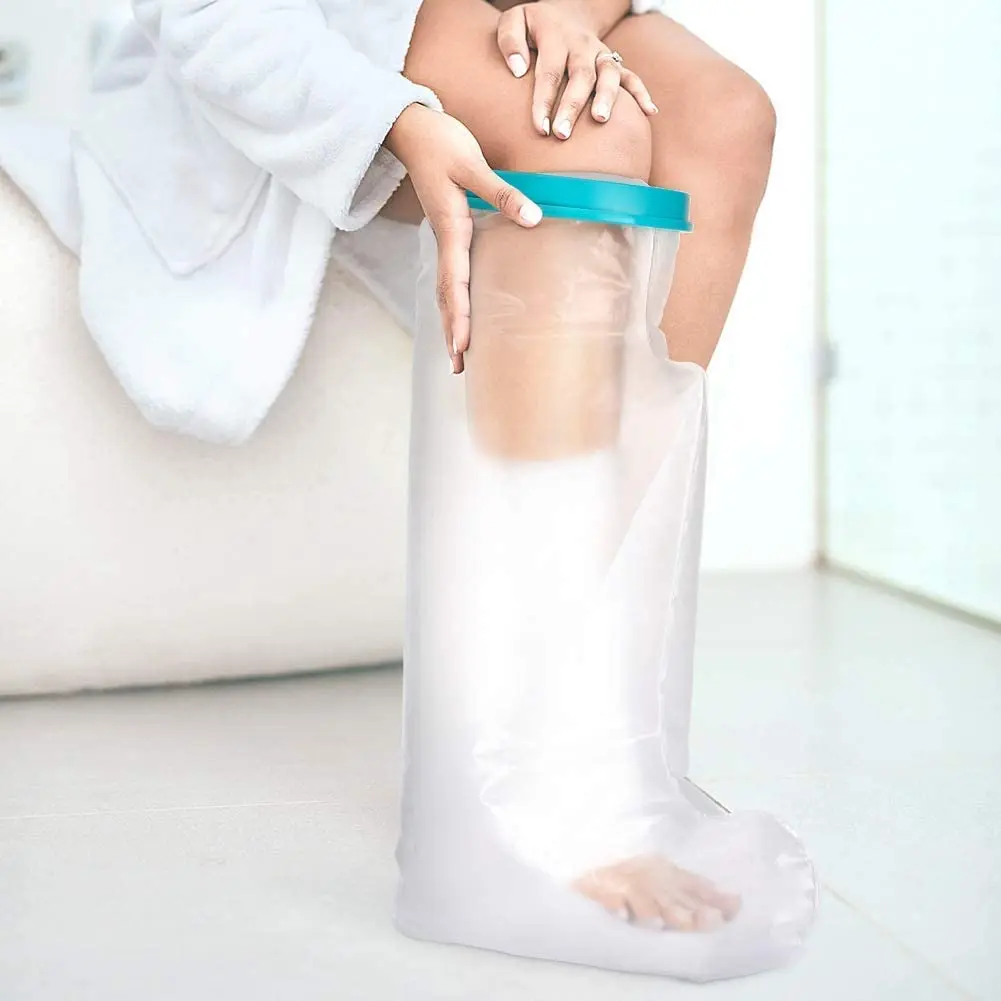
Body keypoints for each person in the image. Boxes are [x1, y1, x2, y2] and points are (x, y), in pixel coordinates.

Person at [0, 0, 777, 935]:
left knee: (726, 119)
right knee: (575, 132)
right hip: (316, 36)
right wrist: (397, 120)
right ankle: (530, 779)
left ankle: (594, 699)